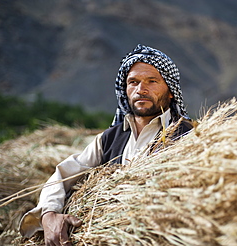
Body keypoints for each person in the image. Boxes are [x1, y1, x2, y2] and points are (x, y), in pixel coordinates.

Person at [19, 44, 193, 245]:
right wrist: (49, 215)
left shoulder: (188, 136)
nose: (141, 89)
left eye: (152, 81)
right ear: (125, 89)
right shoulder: (109, 139)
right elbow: (62, 175)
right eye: (133, 82)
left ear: (171, 91)